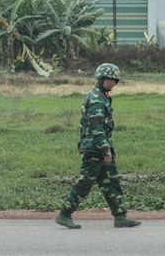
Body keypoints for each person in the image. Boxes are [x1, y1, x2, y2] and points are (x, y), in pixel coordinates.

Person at [55, 63, 141, 230]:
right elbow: (97, 128)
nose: (111, 81)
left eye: (114, 79)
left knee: (111, 182)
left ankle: (120, 216)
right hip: (94, 149)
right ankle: (64, 214)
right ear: (100, 79)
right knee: (85, 182)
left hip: (100, 147)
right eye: (107, 78)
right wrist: (105, 150)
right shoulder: (96, 99)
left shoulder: (103, 96)